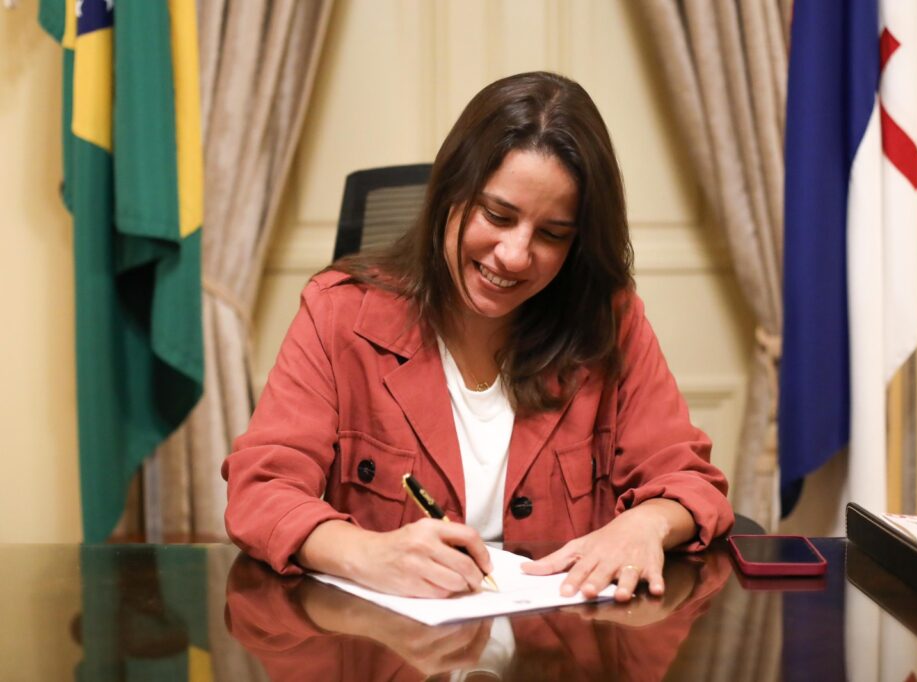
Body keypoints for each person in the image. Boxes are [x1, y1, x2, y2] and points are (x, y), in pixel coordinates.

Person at [222, 71, 734, 604]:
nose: (514, 255)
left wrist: (647, 523)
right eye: (497, 215)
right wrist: (363, 552)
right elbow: (262, 490)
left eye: (552, 235)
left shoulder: (608, 321)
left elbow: (689, 481)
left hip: (562, 650)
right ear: (450, 192)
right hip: (390, 651)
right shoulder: (338, 312)